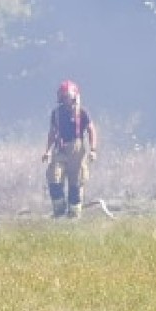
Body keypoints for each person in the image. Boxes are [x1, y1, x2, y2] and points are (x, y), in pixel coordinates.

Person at [42, 79, 98, 218]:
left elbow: (91, 130)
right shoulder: (56, 113)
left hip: (77, 149)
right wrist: (47, 151)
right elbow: (52, 132)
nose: (67, 100)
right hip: (60, 148)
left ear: (75, 96)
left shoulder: (83, 112)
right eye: (64, 97)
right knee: (54, 178)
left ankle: (73, 215)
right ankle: (59, 210)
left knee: (76, 183)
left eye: (69, 97)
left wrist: (93, 149)